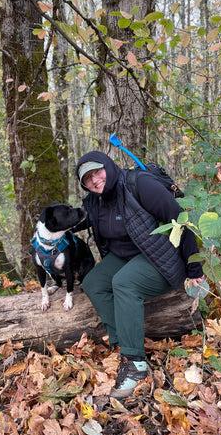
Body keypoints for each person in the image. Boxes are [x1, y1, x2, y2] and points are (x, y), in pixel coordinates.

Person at [75, 151, 205, 399]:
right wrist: (49, 229)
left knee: (123, 283)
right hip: (128, 255)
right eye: (87, 178)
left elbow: (180, 219)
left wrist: (194, 268)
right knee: (93, 283)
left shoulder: (139, 184)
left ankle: (135, 364)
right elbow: (76, 219)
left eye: (97, 172)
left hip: (163, 257)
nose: (94, 180)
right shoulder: (94, 202)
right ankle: (122, 341)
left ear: (108, 167)